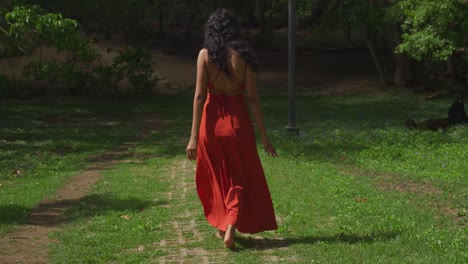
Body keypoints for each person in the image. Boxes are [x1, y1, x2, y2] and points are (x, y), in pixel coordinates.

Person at [186, 8, 278, 248]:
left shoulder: (205, 55)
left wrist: (193, 137)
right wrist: (265, 137)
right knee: (238, 176)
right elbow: (253, 99)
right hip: (238, 123)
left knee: (218, 175)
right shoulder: (243, 57)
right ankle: (229, 226)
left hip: (211, 123)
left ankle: (225, 225)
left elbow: (198, 97)